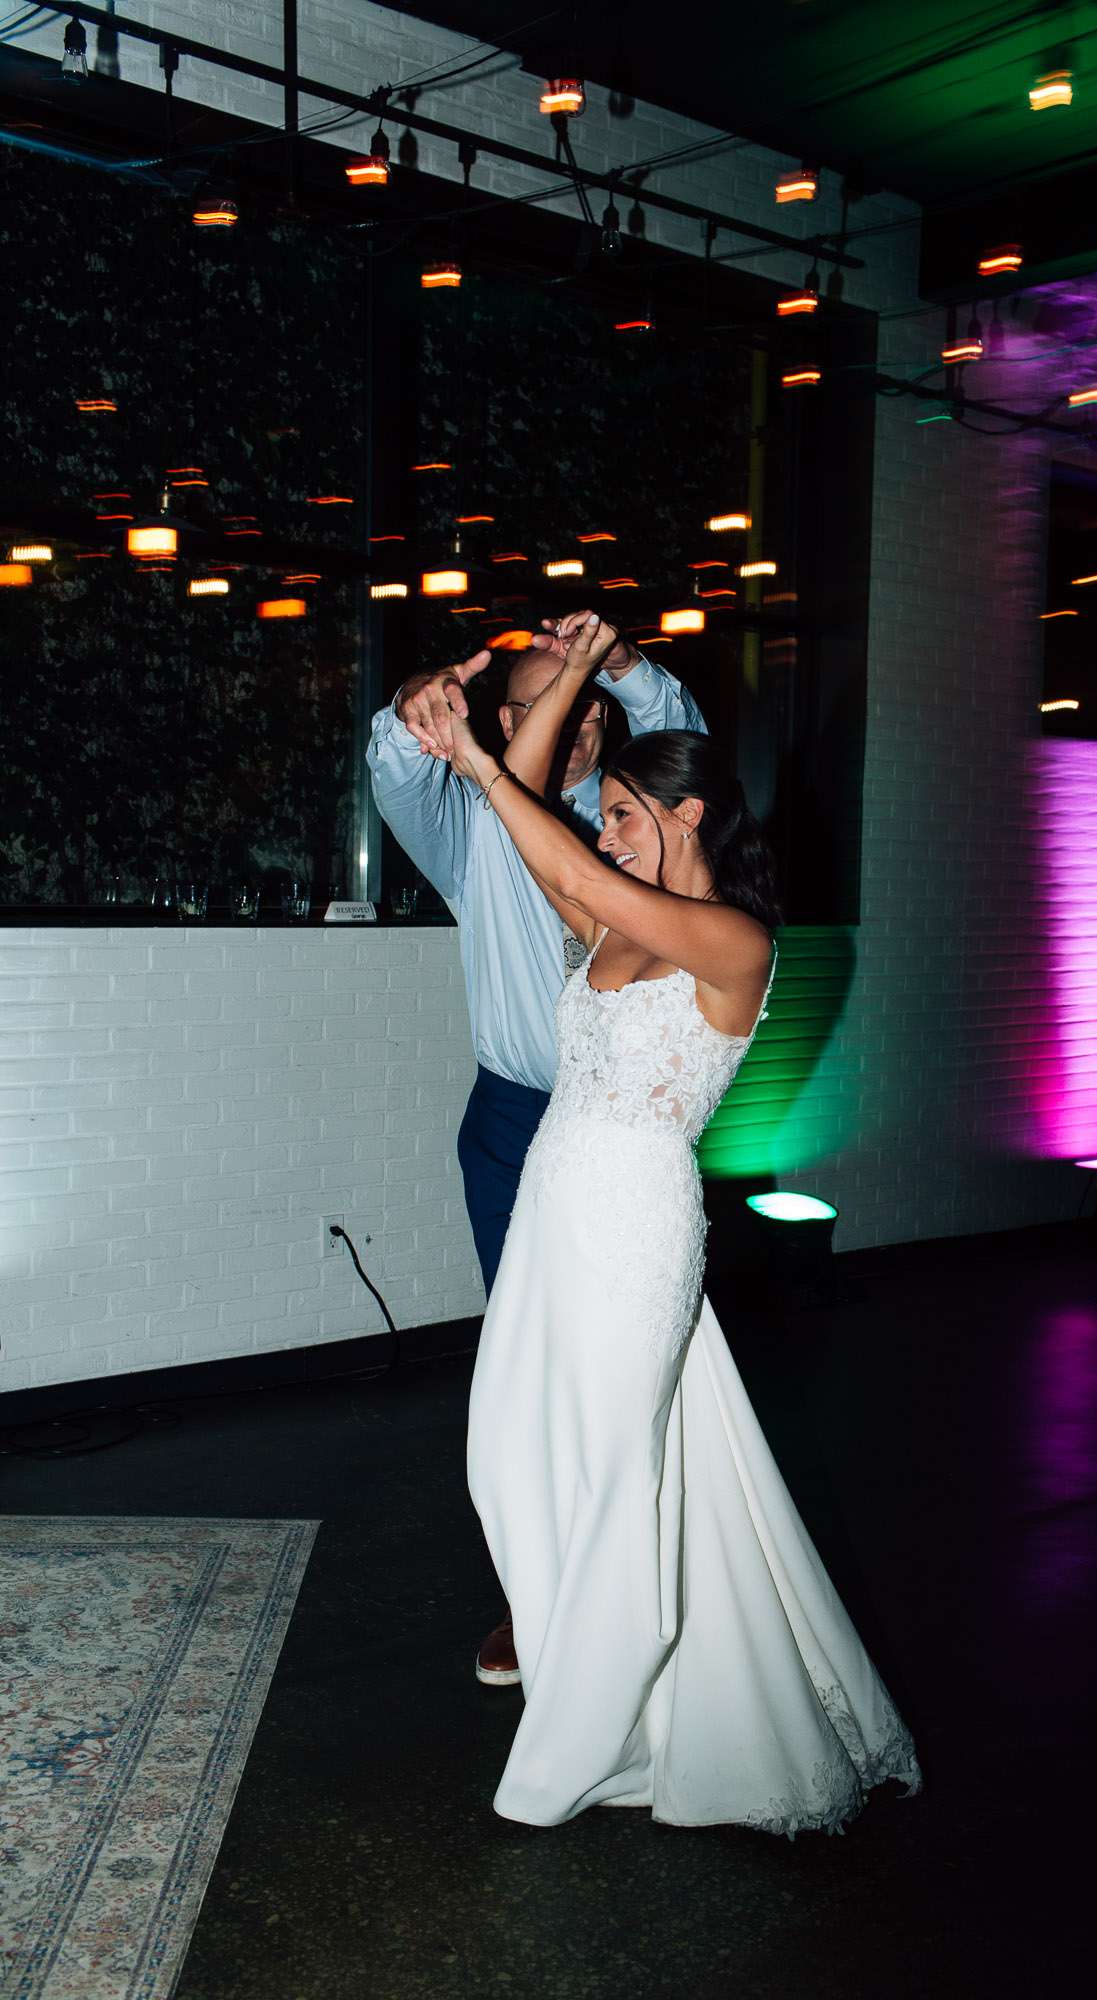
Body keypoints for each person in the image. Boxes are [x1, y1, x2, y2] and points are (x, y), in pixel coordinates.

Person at [443, 611, 921, 1835]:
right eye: (602, 815)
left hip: (631, 1229)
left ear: (687, 813)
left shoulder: (732, 942)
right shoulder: (612, 927)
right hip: (550, 1218)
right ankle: (583, 1658)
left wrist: (484, 762)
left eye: (620, 812)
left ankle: (585, 1736)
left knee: (614, 1476)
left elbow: (565, 860)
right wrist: (552, 694)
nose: (600, 831)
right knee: (504, 1453)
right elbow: (540, 841)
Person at [366, 616, 706, 1687]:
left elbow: (686, 740)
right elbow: (396, 771)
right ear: (502, 718)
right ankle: (537, 1590)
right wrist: (410, 710)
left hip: (632, 1135)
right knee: (531, 1366)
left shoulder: (636, 824)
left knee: (635, 1365)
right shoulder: (472, 826)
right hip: (518, 1127)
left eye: (584, 702)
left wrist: (622, 664)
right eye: (533, 702)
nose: (568, 720)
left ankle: (654, 1583)